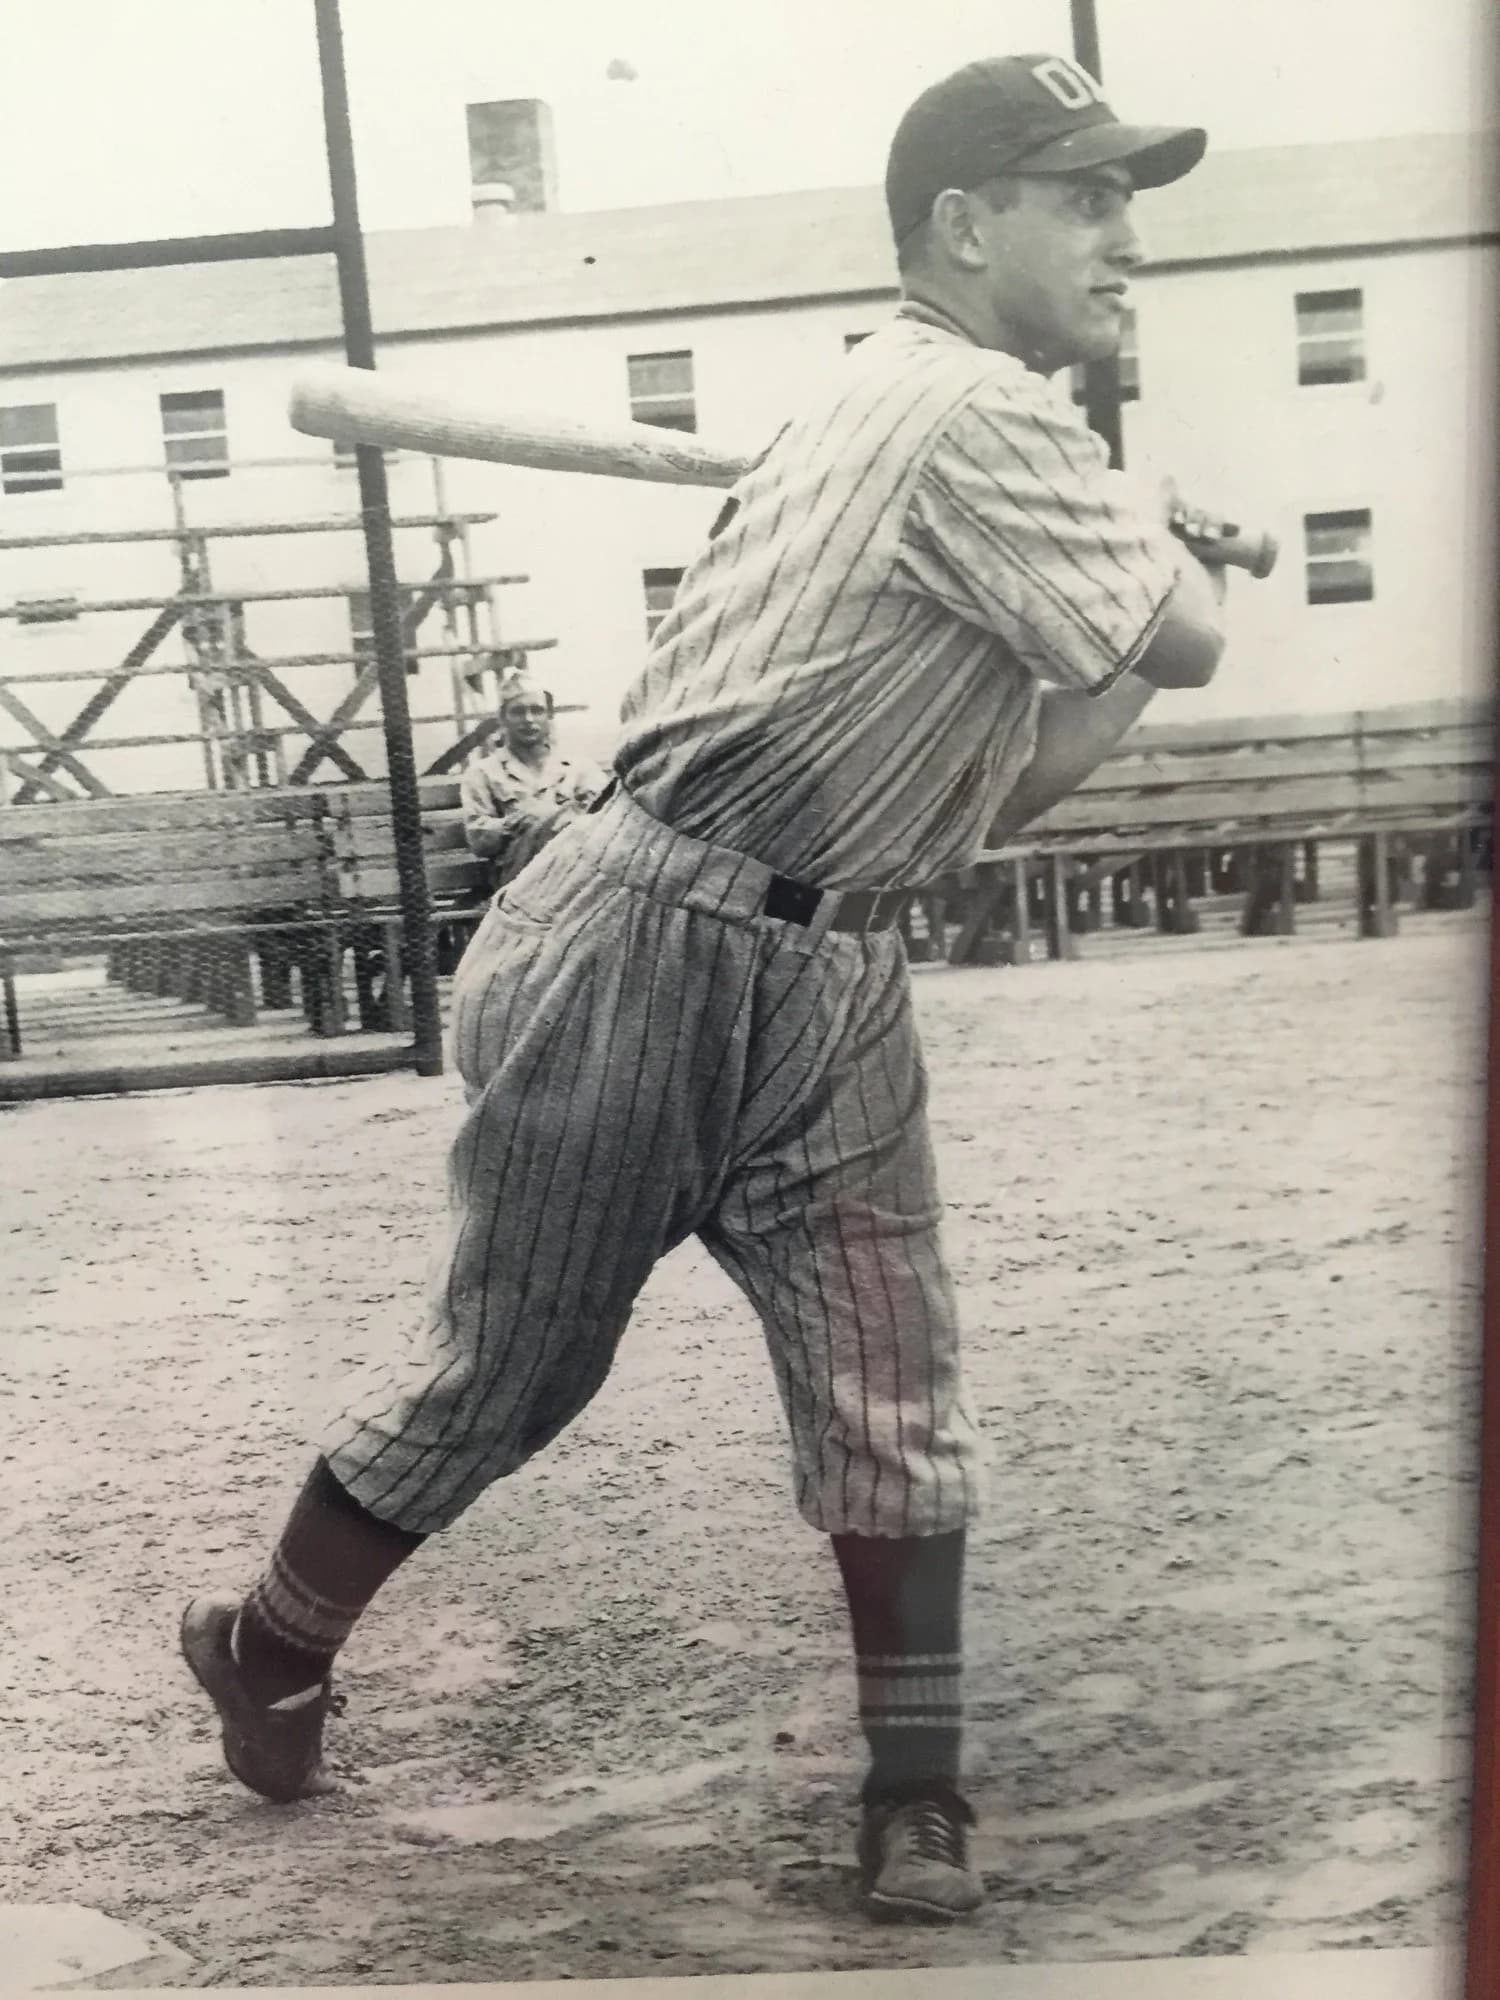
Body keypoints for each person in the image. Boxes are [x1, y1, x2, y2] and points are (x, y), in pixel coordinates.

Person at [181, 53, 1231, 1926]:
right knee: (508, 1371)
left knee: (893, 1383)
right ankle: (268, 1642)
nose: (1123, 235)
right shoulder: (969, 408)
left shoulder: (908, 416)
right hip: (641, 934)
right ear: (962, 226)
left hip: (838, 960)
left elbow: (1007, 786)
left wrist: (1147, 606)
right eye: (1084, 198)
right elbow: (1200, 632)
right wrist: (1178, 568)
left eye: (1123, 199)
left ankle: (917, 1793)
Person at [459, 671, 608, 890]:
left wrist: (551, 818)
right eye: (518, 712)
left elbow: (606, 823)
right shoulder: (483, 773)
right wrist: (523, 822)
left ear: (549, 716)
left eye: (537, 711)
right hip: (519, 882)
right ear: (502, 718)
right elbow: (478, 839)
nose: (528, 720)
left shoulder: (580, 768)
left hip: (575, 875)